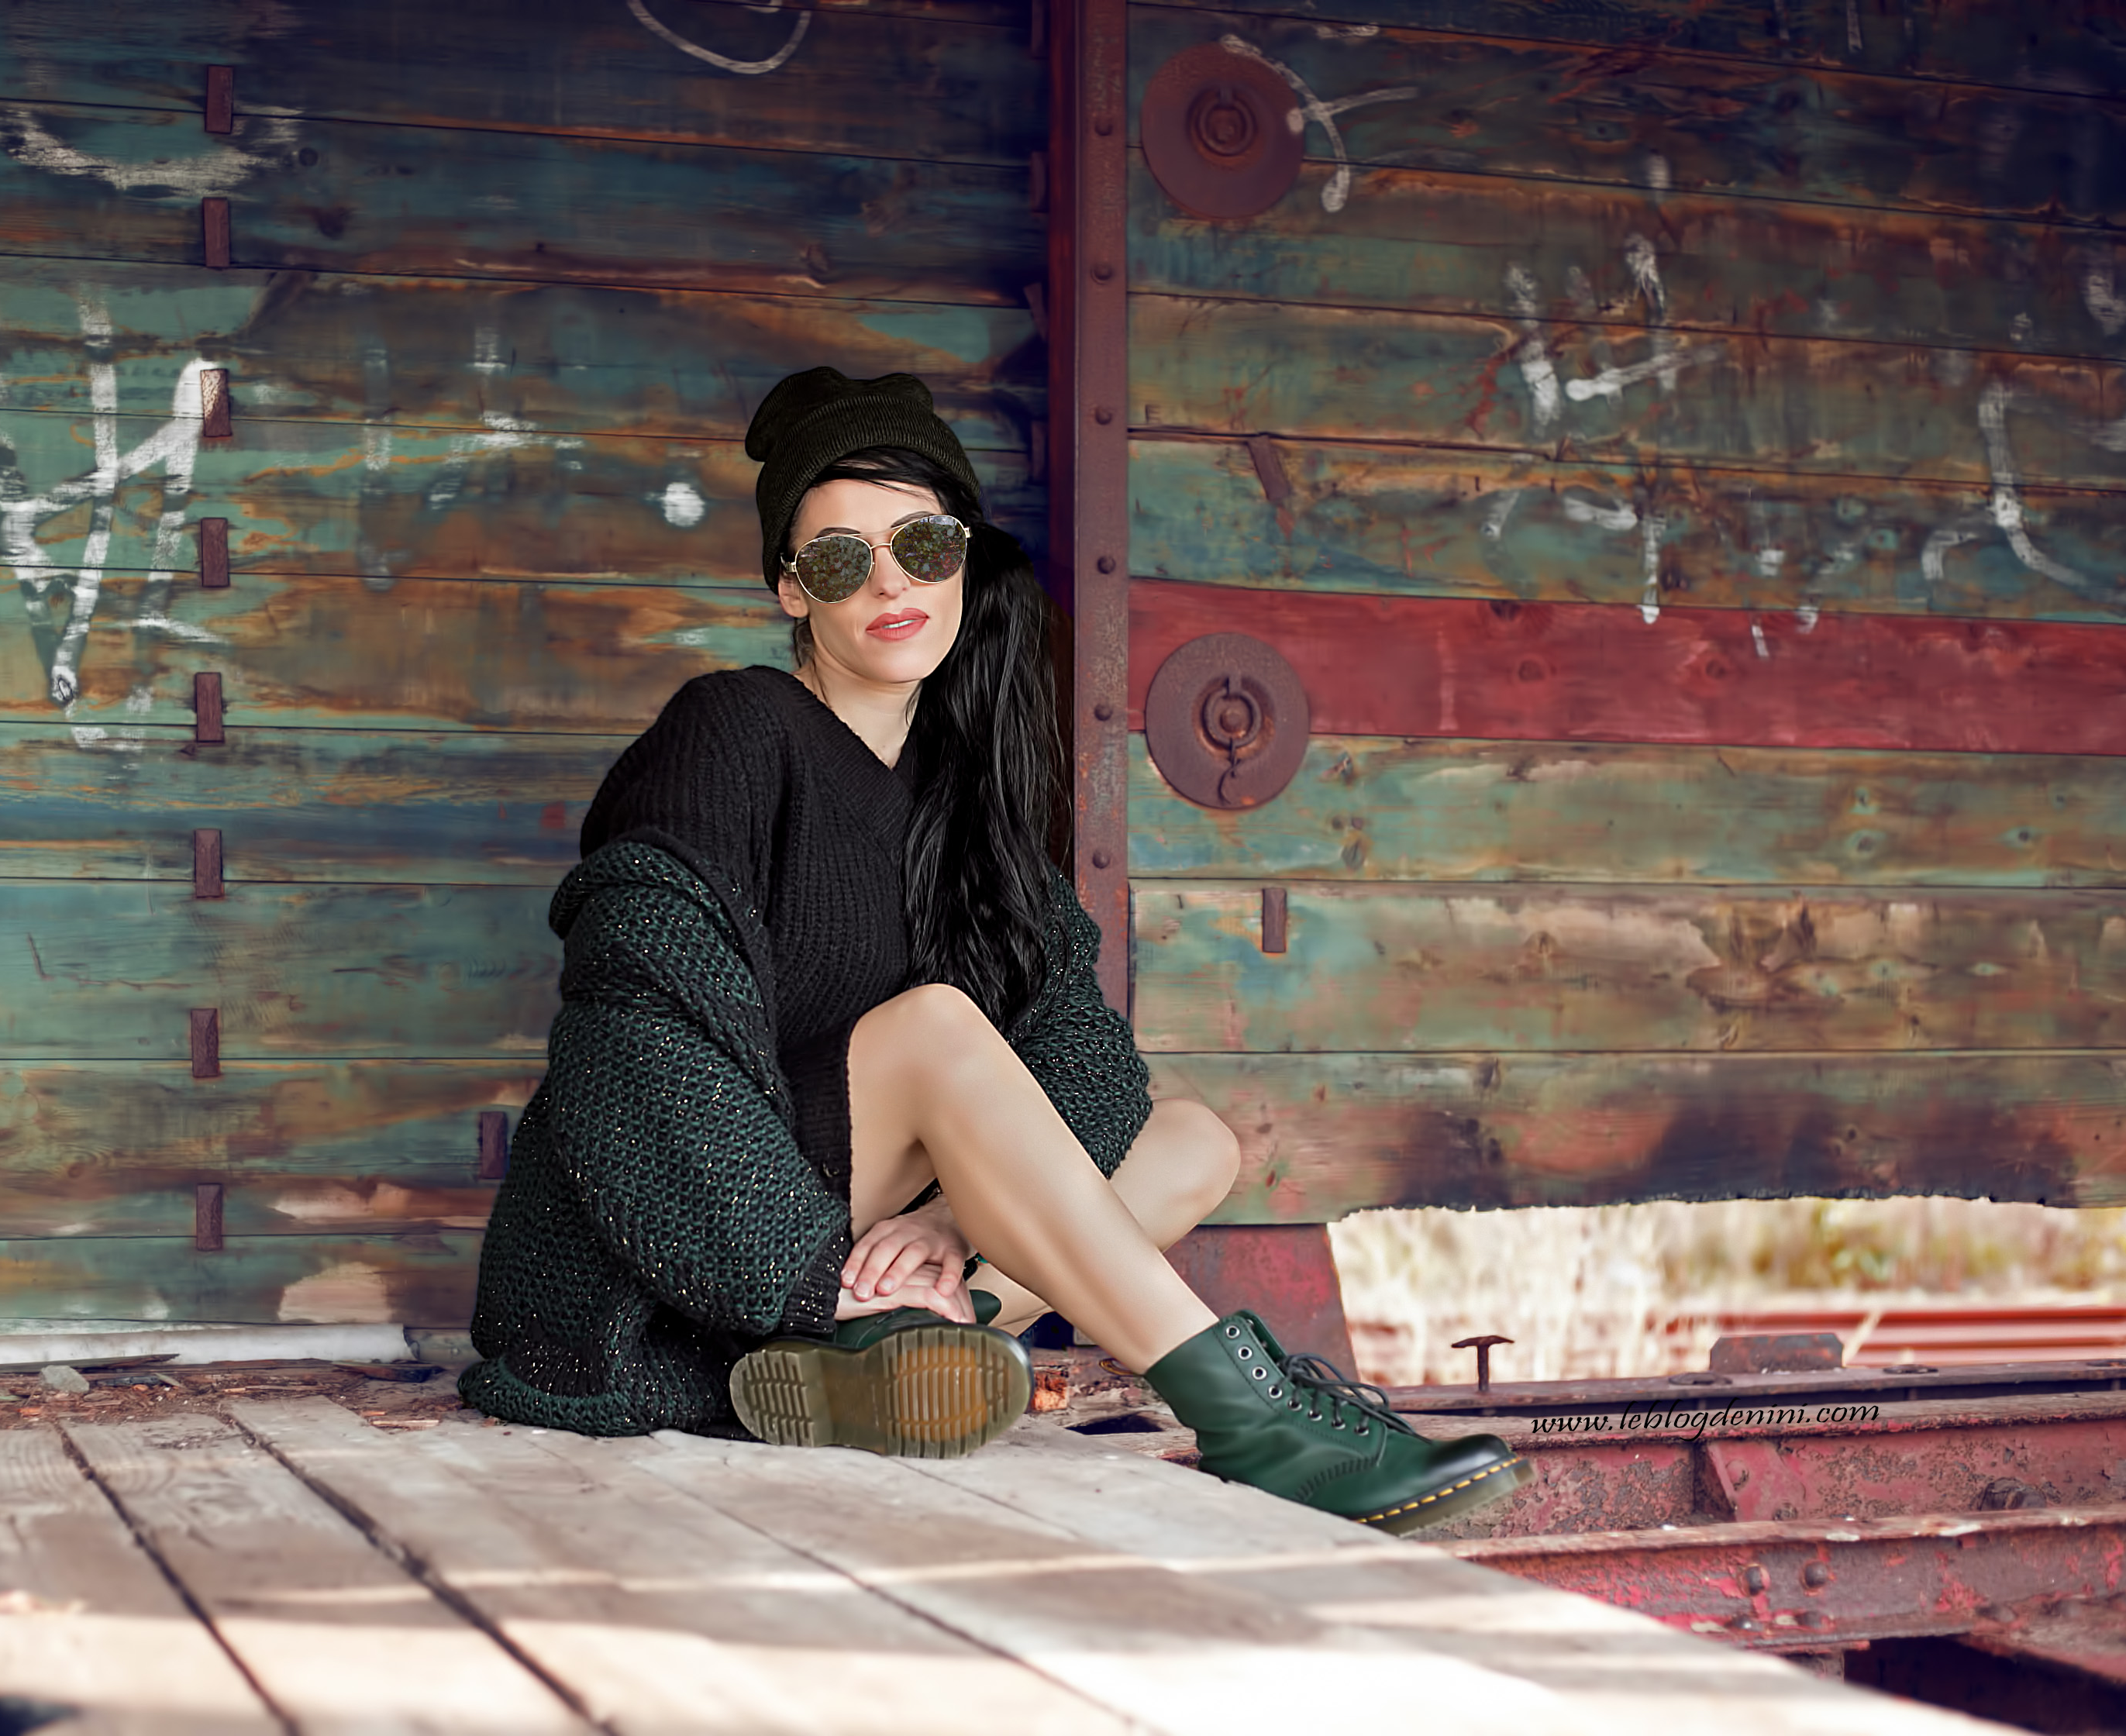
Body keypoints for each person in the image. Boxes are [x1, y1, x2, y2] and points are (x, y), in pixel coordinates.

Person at [462, 368, 1529, 1532]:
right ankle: (1255, 1419)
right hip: (673, 1248)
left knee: (1190, 1142)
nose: (891, 582)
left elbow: (1085, 1052)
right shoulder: (733, 729)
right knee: (936, 1026)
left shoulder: (968, 800)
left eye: (921, 545)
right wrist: (803, 1267)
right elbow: (633, 1034)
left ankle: (905, 1338)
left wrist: (954, 1225)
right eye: (841, 559)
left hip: (853, 1230)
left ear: (961, 557)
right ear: (791, 588)